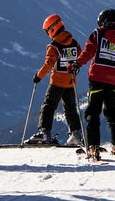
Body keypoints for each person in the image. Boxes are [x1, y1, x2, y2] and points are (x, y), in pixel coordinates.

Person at [77, 8, 115, 160]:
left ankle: (92, 147)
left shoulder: (98, 34)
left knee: (93, 112)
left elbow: (88, 51)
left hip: (97, 78)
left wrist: (76, 64)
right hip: (113, 80)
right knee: (111, 111)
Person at [27, 15, 84, 146]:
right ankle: (76, 134)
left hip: (57, 82)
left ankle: (44, 133)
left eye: (47, 31)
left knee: (48, 106)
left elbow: (48, 64)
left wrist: (38, 76)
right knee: (70, 108)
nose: (48, 34)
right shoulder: (74, 43)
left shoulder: (54, 46)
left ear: (52, 29)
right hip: (71, 82)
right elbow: (81, 57)